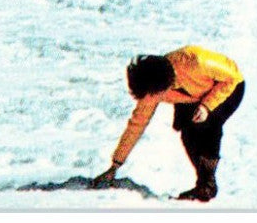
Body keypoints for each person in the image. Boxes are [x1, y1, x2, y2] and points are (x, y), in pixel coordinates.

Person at [93, 47, 246, 201]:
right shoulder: (150, 87)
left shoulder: (196, 62)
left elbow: (232, 78)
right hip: (192, 96)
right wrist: (115, 165)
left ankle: (206, 187)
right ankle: (205, 182)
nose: (151, 100)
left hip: (229, 86)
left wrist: (207, 106)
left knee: (207, 125)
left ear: (164, 86)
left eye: (155, 95)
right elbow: (136, 125)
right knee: (187, 132)